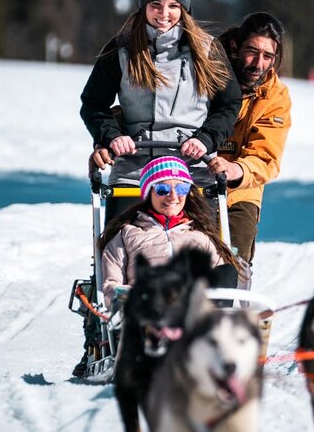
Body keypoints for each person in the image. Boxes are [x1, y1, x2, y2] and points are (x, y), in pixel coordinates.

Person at [79, 0, 241, 216]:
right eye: (156, 5)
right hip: (136, 169)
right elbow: (93, 103)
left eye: (173, 6)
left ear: (184, 8)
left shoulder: (207, 50)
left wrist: (206, 138)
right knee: (124, 244)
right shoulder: (122, 49)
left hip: (191, 169)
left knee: (201, 248)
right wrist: (112, 136)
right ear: (144, 5)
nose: (164, 14)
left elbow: (229, 103)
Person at [72, 156, 238, 377]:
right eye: (161, 189)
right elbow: (110, 285)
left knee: (227, 271)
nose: (172, 196)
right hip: (148, 316)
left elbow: (222, 284)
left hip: (193, 313)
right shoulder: (127, 234)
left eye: (181, 187)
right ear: (148, 192)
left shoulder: (200, 237)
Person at [209, 12, 292, 265]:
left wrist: (236, 169)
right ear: (235, 46)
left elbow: (266, 156)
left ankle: (227, 295)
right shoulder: (205, 73)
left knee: (233, 256)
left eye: (268, 56)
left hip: (240, 190)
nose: (258, 63)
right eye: (252, 52)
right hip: (186, 182)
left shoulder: (275, 97)